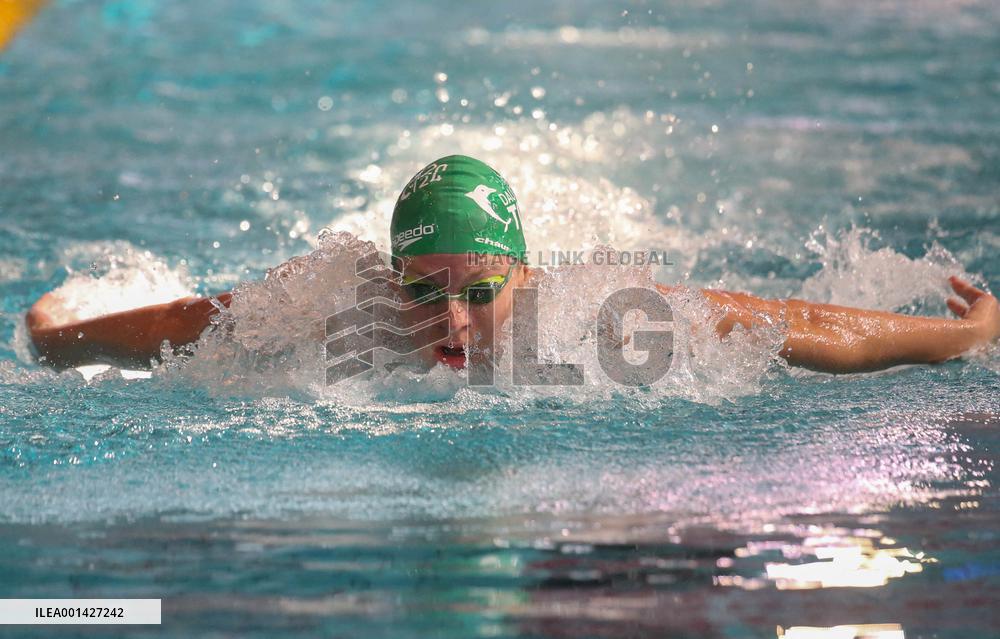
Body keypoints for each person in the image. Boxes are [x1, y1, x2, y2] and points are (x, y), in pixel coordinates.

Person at [26, 155, 1000, 376]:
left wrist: (967, 333)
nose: (452, 323)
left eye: (480, 291)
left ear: (521, 276)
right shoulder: (339, 296)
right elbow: (176, 324)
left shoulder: (603, 318)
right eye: (423, 291)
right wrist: (50, 335)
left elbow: (804, 326)